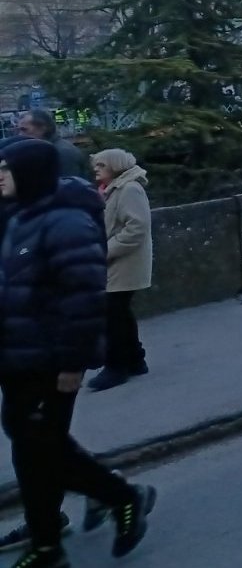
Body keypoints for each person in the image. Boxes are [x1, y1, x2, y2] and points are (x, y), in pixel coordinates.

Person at [0, 139, 156, 566]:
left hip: (51, 360)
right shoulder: (18, 217)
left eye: (5, 168)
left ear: (29, 174)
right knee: (31, 445)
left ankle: (115, 500)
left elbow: (87, 298)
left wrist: (73, 363)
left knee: (41, 447)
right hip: (19, 355)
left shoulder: (66, 222)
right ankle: (50, 537)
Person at [85, 149, 152, 392]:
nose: (96, 168)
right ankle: (135, 359)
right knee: (119, 313)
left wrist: (104, 251)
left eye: (101, 164)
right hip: (118, 262)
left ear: (115, 166)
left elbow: (136, 229)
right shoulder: (113, 188)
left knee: (112, 314)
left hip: (124, 263)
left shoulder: (129, 189)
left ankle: (116, 366)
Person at [17, 110, 87, 180]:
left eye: (24, 130)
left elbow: (68, 188)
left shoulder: (63, 152)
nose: (20, 135)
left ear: (42, 128)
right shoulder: (46, 151)